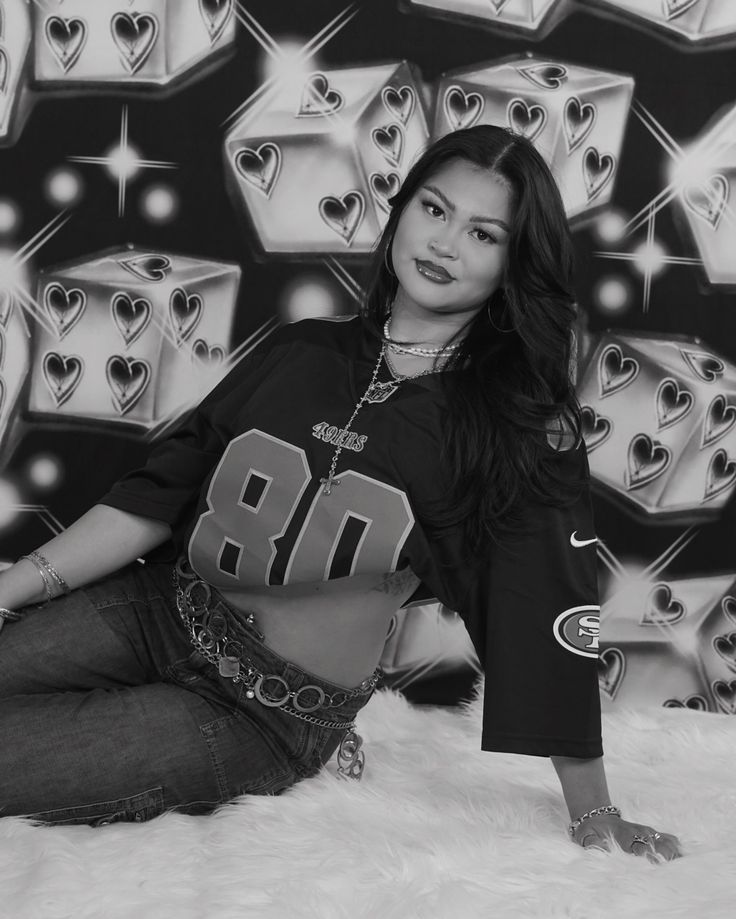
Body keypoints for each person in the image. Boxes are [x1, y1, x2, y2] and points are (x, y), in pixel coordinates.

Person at [0, 125, 681, 858]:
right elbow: (155, 495)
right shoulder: (302, 349)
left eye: (484, 234)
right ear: (403, 211)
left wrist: (592, 809)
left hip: (258, 711)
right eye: (434, 208)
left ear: (514, 264)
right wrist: (13, 584)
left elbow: (542, 612)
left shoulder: (510, 428)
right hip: (159, 609)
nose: (445, 244)